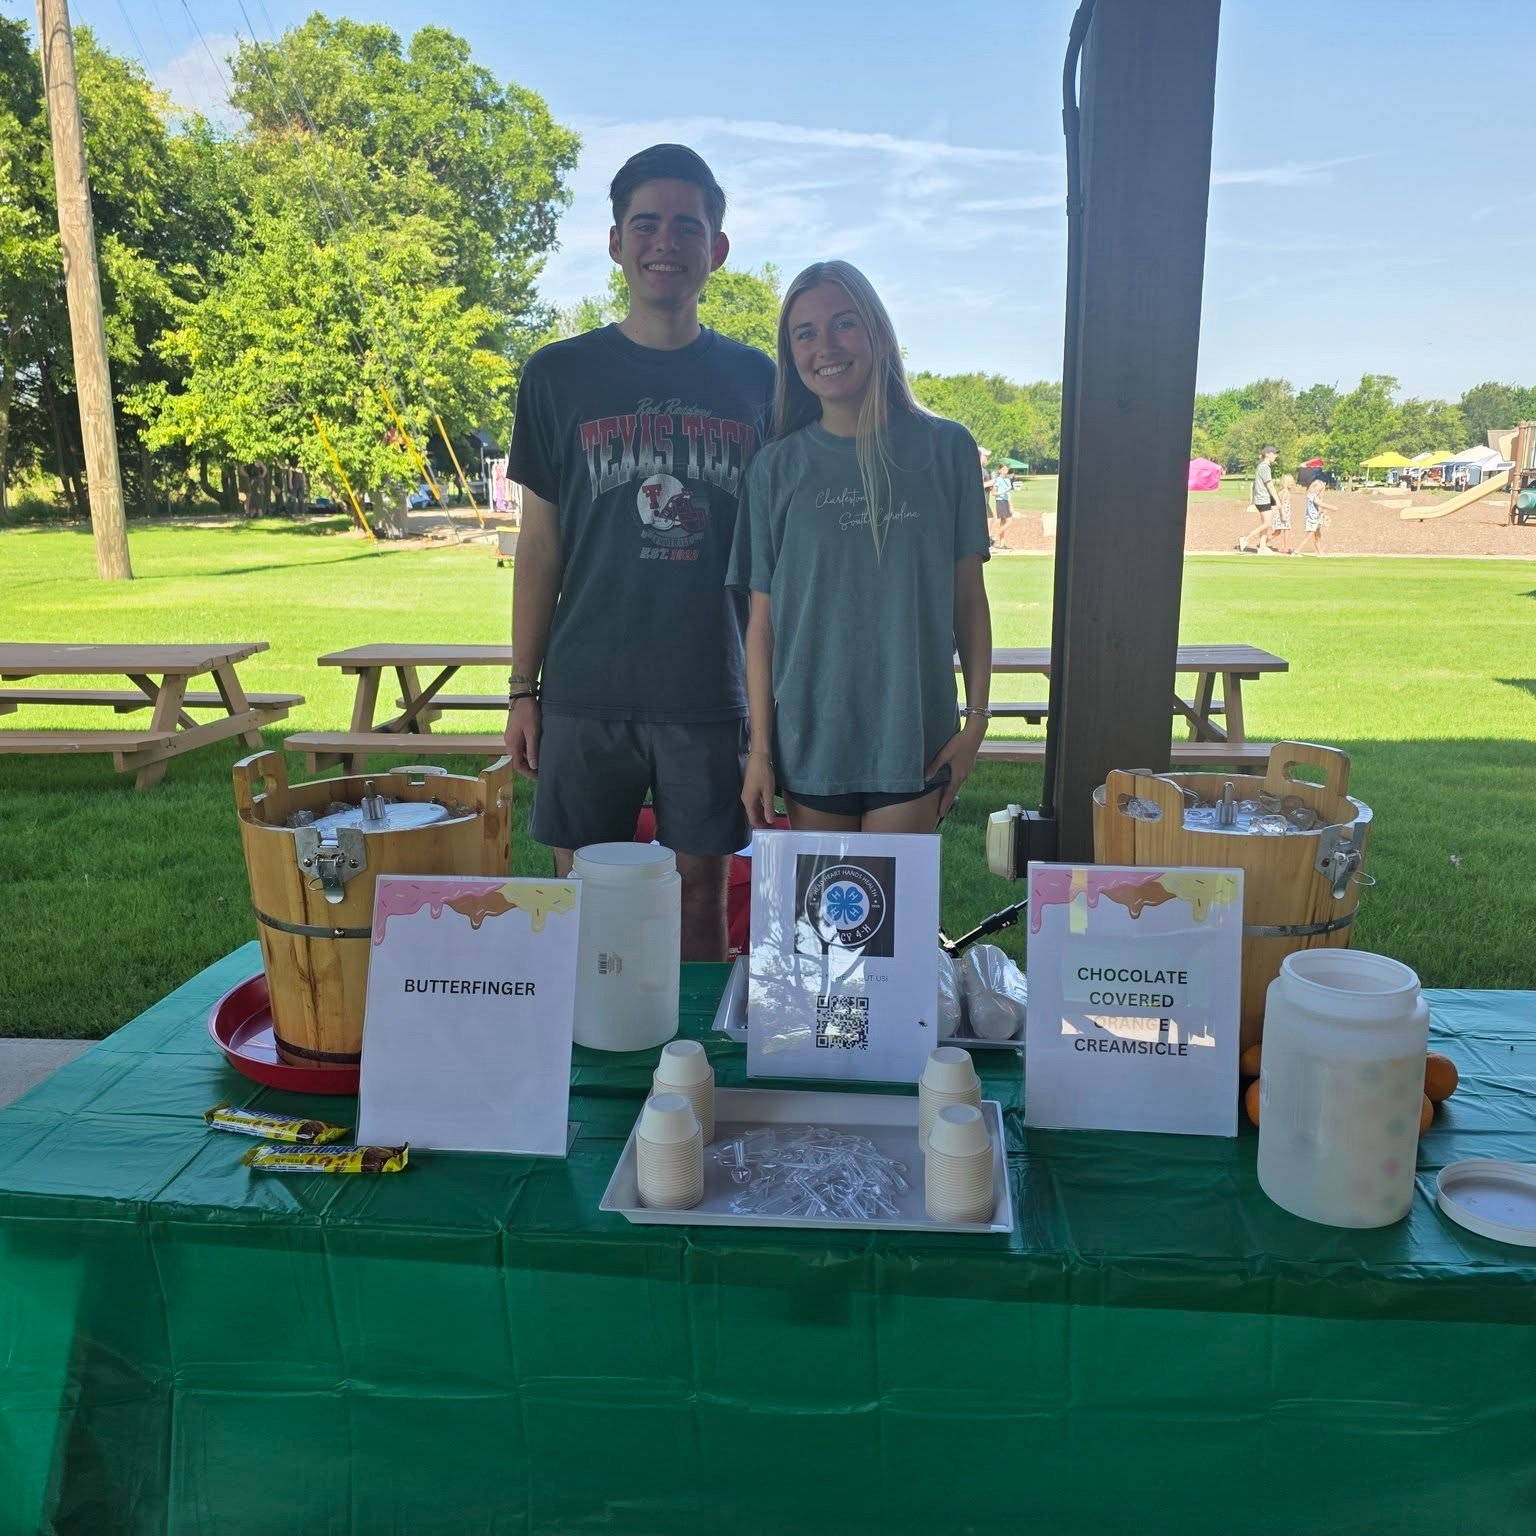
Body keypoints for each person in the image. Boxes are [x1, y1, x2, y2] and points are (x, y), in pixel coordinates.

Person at [504, 144, 775, 960]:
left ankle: (689, 1069)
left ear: (716, 250)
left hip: (709, 686)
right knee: (587, 894)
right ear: (616, 241)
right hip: (587, 687)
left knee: (701, 894)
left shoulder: (759, 380)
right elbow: (539, 544)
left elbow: (777, 555)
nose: (666, 241)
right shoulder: (558, 374)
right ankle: (594, 1061)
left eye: (687, 226)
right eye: (646, 223)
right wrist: (524, 689)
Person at [728, 260, 994, 836]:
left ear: (876, 331)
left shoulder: (945, 448)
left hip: (914, 739)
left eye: (844, 324)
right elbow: (762, 626)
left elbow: (968, 600)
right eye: (805, 333)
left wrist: (974, 724)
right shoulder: (775, 467)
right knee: (822, 925)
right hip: (811, 742)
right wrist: (760, 753)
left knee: (893, 923)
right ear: (791, 353)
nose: (826, 345)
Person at [1237, 445, 1280, 553]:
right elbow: (1269, 485)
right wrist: (1277, 500)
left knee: (1266, 523)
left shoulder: (1261, 466)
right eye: (1273, 453)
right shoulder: (1265, 467)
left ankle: (1262, 546)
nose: (1275, 455)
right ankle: (1246, 538)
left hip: (1262, 498)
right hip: (1263, 498)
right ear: (1267, 454)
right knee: (1267, 523)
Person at [1295, 476, 1330, 556]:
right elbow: (1318, 504)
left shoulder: (1316, 496)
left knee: (1317, 535)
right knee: (1310, 535)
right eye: (1318, 489)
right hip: (1311, 519)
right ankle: (1297, 551)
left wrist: (1323, 512)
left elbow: (1319, 508)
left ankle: (1320, 552)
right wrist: (1326, 507)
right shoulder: (1311, 496)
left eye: (1320, 490)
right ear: (1314, 487)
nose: (1319, 491)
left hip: (1316, 519)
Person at [989, 465, 1015, 549]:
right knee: (1009, 521)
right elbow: (993, 493)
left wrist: (1011, 506)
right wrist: (1003, 492)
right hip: (1000, 501)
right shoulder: (998, 480)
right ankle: (994, 537)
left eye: (1006, 469)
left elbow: (1008, 494)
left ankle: (1002, 543)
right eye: (1003, 469)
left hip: (1006, 502)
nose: (1005, 471)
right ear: (999, 470)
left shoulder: (1007, 480)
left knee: (1003, 522)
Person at [1270, 473, 1295, 555]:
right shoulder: (1285, 493)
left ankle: (1264, 541)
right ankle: (1286, 547)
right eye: (1290, 482)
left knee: (1277, 532)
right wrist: (1283, 514)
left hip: (1281, 513)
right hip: (1283, 514)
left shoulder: (1282, 492)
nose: (1292, 484)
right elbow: (1282, 505)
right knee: (1286, 530)